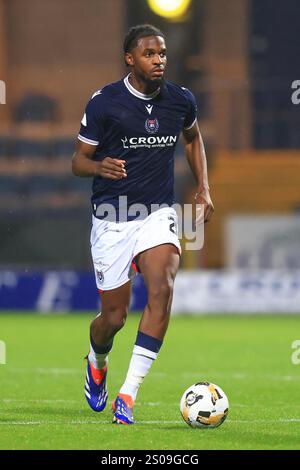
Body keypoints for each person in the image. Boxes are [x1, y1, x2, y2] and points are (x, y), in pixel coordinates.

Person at [72, 24, 214, 425]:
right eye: (150, 54)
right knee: (113, 319)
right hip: (112, 219)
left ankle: (128, 394)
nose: (159, 61)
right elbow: (78, 161)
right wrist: (100, 165)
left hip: (156, 213)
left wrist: (203, 188)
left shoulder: (180, 100)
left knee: (162, 287)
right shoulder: (105, 102)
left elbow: (192, 138)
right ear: (130, 59)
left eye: (163, 54)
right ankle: (98, 361)